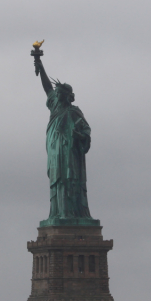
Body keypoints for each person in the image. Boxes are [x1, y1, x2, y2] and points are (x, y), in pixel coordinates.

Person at [33, 49, 95, 223]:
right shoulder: (55, 106)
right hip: (55, 151)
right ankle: (58, 213)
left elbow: (86, 131)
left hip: (70, 153)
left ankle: (73, 214)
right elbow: (47, 87)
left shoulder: (75, 112)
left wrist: (79, 136)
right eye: (57, 94)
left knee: (70, 181)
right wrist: (39, 63)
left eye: (60, 94)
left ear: (68, 97)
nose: (56, 96)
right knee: (57, 182)